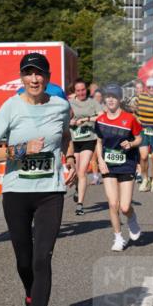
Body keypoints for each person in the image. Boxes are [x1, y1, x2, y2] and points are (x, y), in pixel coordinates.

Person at [0, 53, 76, 306]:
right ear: (22, 77)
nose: (34, 79)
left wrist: (70, 159)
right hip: (17, 192)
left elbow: (66, 136)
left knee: (41, 258)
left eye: (39, 74)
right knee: (24, 261)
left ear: (47, 77)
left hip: (50, 192)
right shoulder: (10, 107)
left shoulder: (60, 106)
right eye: (29, 73)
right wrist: (22, 150)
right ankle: (30, 297)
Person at [94, 83, 143, 251]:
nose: (110, 100)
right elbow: (98, 142)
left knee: (124, 206)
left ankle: (131, 217)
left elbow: (139, 138)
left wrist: (131, 143)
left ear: (120, 99)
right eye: (108, 97)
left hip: (127, 164)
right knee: (113, 204)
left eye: (114, 97)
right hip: (108, 165)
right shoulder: (100, 120)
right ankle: (118, 238)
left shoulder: (130, 119)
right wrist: (100, 160)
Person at [68, 79, 101, 215]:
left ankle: (80, 205)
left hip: (88, 140)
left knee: (82, 172)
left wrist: (86, 119)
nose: (81, 93)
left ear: (86, 89)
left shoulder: (93, 103)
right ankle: (77, 188)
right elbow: (63, 118)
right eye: (78, 90)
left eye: (83, 90)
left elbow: (101, 116)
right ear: (74, 91)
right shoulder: (69, 103)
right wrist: (70, 121)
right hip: (74, 141)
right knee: (76, 172)